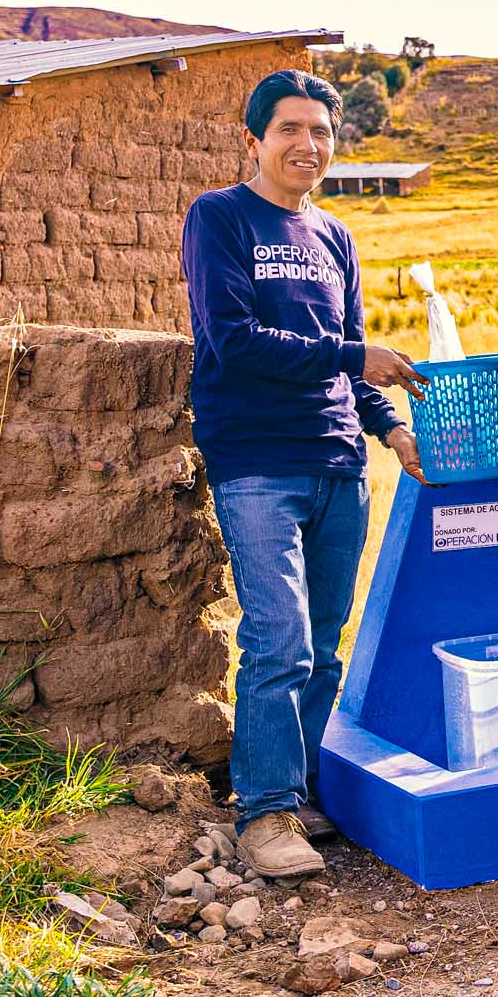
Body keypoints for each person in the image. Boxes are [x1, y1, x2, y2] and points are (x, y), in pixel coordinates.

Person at [181, 69, 430, 878]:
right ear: (253, 139)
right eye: (290, 128)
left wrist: (390, 427)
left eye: (321, 131)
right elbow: (233, 339)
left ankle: (308, 792)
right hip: (258, 463)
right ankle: (263, 815)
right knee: (278, 640)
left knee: (324, 648)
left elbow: (344, 368)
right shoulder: (219, 218)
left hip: (339, 463)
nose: (308, 145)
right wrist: (358, 355)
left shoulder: (334, 238)